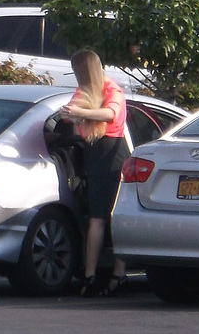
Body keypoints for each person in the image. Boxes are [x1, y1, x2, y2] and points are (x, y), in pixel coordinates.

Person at [59, 49, 128, 297]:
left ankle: (118, 272)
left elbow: (111, 114)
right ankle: (91, 275)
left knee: (114, 217)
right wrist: (71, 115)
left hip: (113, 155)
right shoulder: (85, 91)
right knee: (98, 218)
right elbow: (70, 115)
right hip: (96, 155)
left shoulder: (112, 90)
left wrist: (79, 114)